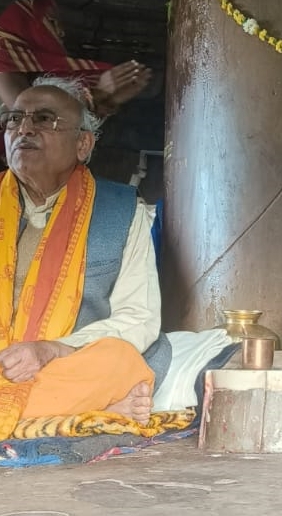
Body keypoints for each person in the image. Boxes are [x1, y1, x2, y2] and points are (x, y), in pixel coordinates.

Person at [0, 75, 170, 438]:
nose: (24, 129)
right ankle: (92, 412)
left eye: (44, 119)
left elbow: (138, 316)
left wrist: (52, 350)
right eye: (15, 118)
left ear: (82, 144)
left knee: (120, 360)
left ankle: (50, 412)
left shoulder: (121, 211)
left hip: (65, 364)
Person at [0, 0, 152, 117]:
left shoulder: (33, 75)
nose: (61, 33)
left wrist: (111, 99)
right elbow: (37, 121)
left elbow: (69, 130)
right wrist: (100, 93)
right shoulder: (3, 66)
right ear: (25, 29)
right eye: (52, 22)